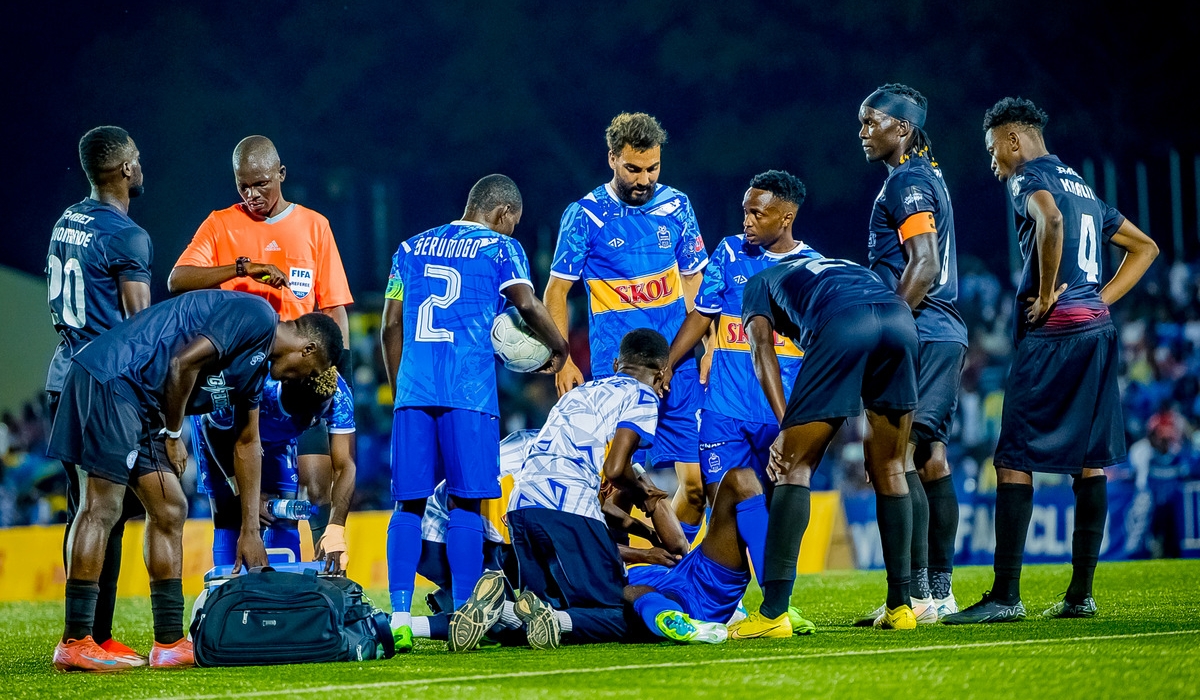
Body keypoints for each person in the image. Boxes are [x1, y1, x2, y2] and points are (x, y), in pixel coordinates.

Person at [943, 97, 1159, 624]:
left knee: (1014, 458)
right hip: (1097, 331)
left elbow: (1051, 220)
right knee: (1090, 460)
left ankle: (1006, 596)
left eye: (993, 149)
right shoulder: (1081, 182)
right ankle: (1080, 595)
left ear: (1013, 140)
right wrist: (1101, 300)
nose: (993, 163)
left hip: (1055, 333)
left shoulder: (1028, 177)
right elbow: (1145, 247)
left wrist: (1043, 295)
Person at [48, 290, 341, 671]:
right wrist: (173, 436)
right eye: (316, 371)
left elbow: (248, 443)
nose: (307, 380)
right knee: (102, 505)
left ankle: (168, 643)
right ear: (309, 350)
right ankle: (74, 641)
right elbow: (180, 364)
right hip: (111, 380)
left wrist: (249, 529)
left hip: (142, 404)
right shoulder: (256, 315)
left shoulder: (254, 368)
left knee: (170, 506)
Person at [381, 174, 568, 652]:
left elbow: (390, 325)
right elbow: (526, 302)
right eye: (514, 224)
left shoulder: (409, 247)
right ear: (503, 214)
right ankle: (469, 613)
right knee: (466, 503)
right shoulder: (501, 250)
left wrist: (399, 388)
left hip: (414, 390)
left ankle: (399, 615)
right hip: (469, 392)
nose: (512, 231)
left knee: (407, 503)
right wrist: (560, 348)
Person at [169, 135, 354, 554]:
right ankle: (238, 587)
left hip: (299, 377)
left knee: (314, 485)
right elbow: (178, 279)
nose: (252, 195)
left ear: (282, 174)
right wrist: (241, 269)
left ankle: (328, 568)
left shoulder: (314, 226)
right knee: (237, 502)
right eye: (243, 186)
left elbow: (334, 310)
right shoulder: (220, 224)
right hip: (240, 378)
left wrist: (331, 372)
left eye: (261, 184)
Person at [729, 254, 920, 637]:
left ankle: (772, 615)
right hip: (900, 320)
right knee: (892, 468)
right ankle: (902, 607)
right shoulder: (835, 266)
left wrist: (788, 424)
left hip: (844, 324)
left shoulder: (758, 282)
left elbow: (761, 347)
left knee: (791, 466)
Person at [448, 329, 673, 652]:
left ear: (615, 363)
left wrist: (643, 532)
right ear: (662, 372)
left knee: (539, 611)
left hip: (522, 507)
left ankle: (500, 609)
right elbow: (615, 469)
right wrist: (646, 495)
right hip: (567, 504)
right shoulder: (642, 396)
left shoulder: (580, 392)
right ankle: (554, 620)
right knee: (618, 613)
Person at [664, 169, 819, 634]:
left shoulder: (813, 269)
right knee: (722, 509)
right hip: (724, 413)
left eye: (758, 211)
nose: (747, 220)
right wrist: (669, 363)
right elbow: (702, 315)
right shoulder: (729, 252)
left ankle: (775, 606)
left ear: (786, 216)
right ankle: (732, 605)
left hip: (780, 415)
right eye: (745, 211)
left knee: (773, 513)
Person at [543, 112, 710, 539]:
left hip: (678, 364)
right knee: (615, 484)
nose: (644, 179)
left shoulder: (678, 206)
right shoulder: (584, 215)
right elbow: (556, 292)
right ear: (612, 159)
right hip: (621, 372)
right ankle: (617, 585)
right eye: (633, 169)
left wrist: (707, 350)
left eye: (653, 168)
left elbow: (694, 282)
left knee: (696, 488)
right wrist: (561, 360)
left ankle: (677, 578)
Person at [858, 83, 968, 620]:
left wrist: (888, 326)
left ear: (901, 127)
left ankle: (918, 595)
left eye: (871, 121)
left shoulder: (907, 182)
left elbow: (922, 262)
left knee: (894, 459)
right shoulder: (929, 175)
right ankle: (938, 592)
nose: (863, 131)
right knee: (930, 456)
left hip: (921, 330)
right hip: (943, 331)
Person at [44, 125, 153, 666]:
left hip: (63, 375)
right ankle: (77, 640)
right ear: (125, 168)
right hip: (104, 384)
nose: (140, 163)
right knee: (102, 508)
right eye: (136, 157)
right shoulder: (126, 235)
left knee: (96, 510)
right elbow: (140, 328)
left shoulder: (66, 219)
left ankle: (97, 633)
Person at [191, 368, 356, 571]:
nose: (308, 424)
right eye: (306, 417)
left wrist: (336, 528)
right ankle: (231, 593)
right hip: (225, 431)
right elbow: (211, 426)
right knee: (230, 514)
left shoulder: (337, 394)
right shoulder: (254, 385)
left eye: (316, 419)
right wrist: (243, 491)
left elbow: (345, 465)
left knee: (282, 512)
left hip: (276, 430)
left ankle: (282, 595)